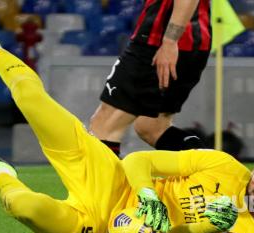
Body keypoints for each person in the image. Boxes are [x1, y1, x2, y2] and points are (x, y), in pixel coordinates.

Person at [0, 0, 254, 233]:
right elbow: (138, 162)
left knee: (28, 207)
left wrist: (207, 225)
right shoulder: (227, 167)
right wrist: (148, 195)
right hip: (111, 179)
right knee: (35, 100)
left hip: (99, 228)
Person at [89, 0, 211, 156]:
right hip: (194, 43)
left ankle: (103, 181)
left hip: (157, 43)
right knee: (152, 127)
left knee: (105, 124)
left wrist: (169, 42)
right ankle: (213, 171)